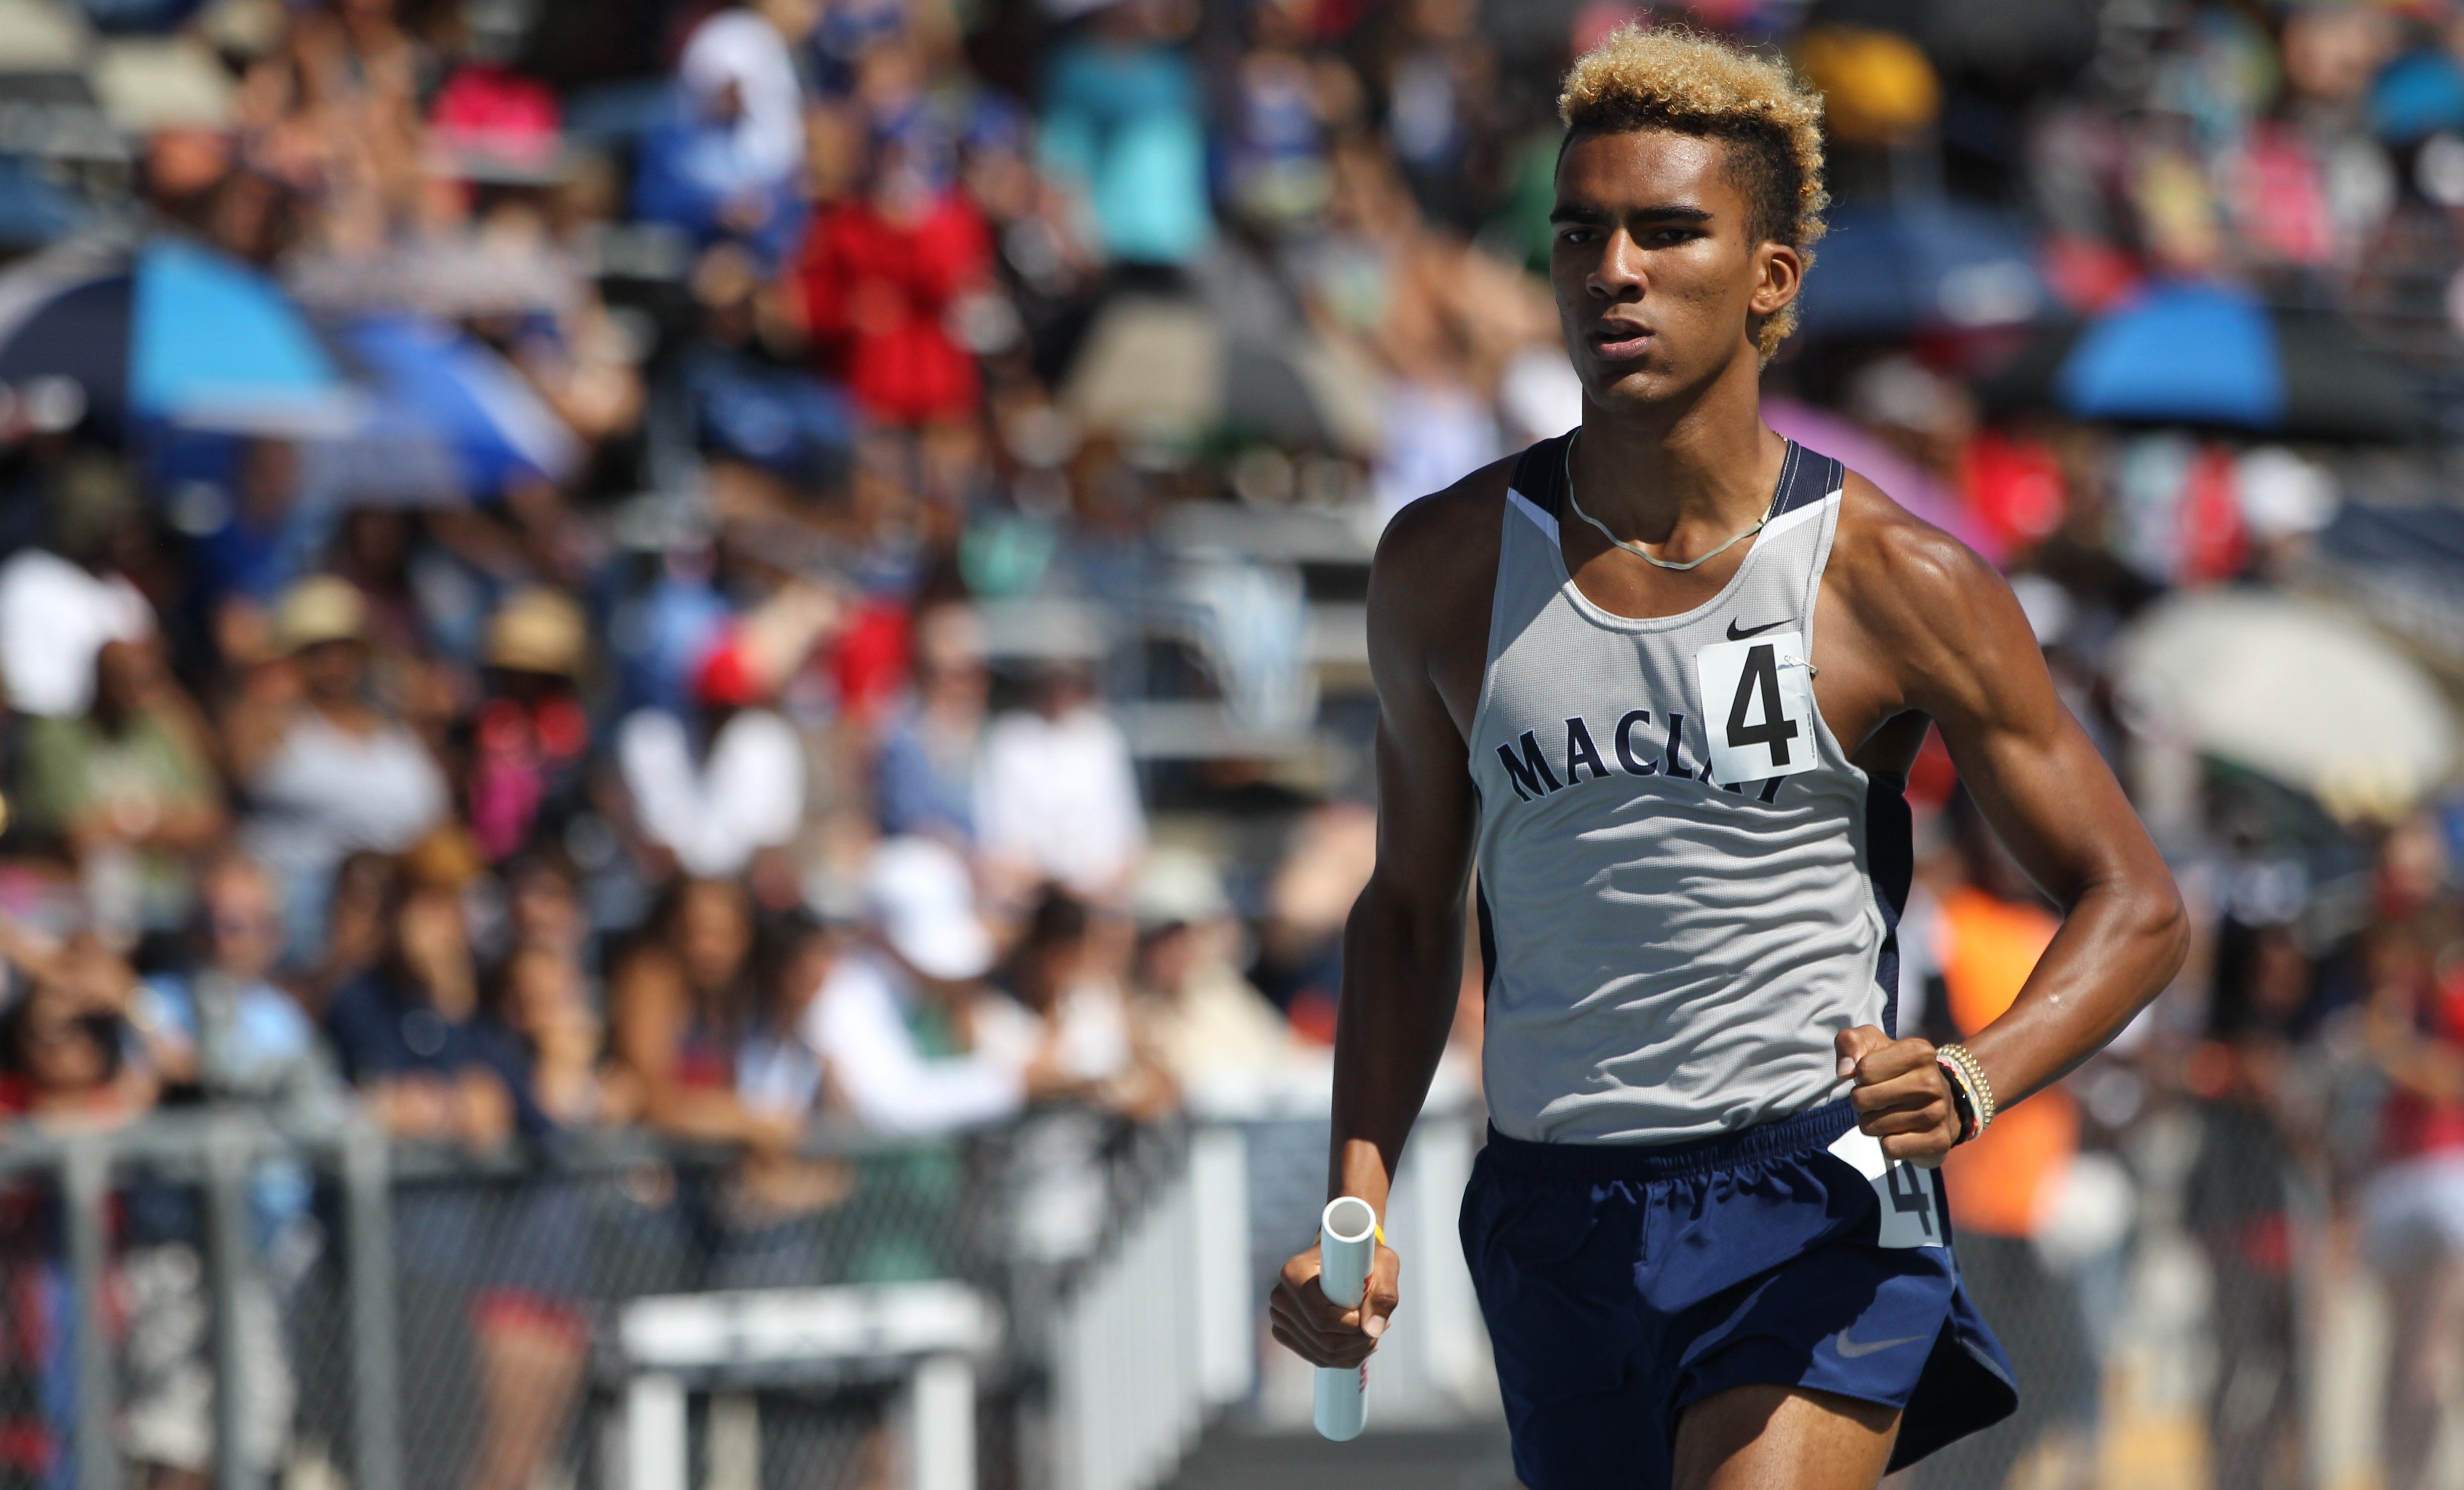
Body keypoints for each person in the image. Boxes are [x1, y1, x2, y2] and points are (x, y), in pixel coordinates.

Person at [1267, 29, 2188, 1490]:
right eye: (1581, 233)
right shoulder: (1440, 567)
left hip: (1810, 1190)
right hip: (1552, 1212)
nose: (1612, 269)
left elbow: (2137, 900)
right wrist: (1355, 1203)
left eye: (1668, 231)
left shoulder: (1896, 579)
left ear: (1773, 276)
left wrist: (1973, 1073)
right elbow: (1404, 907)